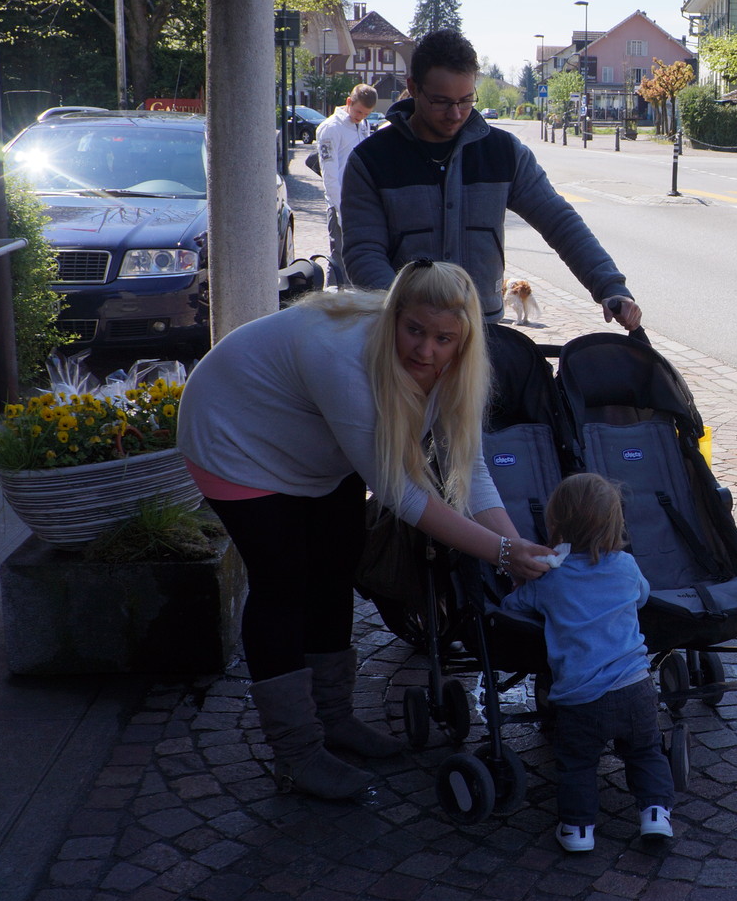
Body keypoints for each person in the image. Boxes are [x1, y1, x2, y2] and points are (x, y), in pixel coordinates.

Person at [179, 260, 554, 799]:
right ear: (393, 315)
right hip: (235, 437)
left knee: (336, 566)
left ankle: (333, 718)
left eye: (443, 339)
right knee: (284, 582)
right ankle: (297, 753)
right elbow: (402, 492)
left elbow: (466, 467)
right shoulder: (345, 357)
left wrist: (514, 545)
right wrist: (500, 554)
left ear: (465, 339)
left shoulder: (456, 364)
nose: (425, 351)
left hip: (314, 448)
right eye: (415, 330)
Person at [340, 27, 642, 331]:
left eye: (466, 100)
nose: (456, 114)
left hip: (483, 333)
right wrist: (409, 317)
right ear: (414, 88)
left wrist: (609, 285)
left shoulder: (504, 152)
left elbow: (559, 221)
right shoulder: (372, 160)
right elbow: (362, 253)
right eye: (441, 102)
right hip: (405, 340)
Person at [500, 474, 676, 852]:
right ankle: (655, 815)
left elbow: (512, 608)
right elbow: (642, 597)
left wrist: (518, 587)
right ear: (617, 525)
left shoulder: (551, 578)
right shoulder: (626, 566)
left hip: (580, 697)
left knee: (577, 764)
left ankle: (579, 830)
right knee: (645, 752)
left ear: (554, 526)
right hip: (635, 687)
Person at [313, 83, 379, 288]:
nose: (360, 117)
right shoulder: (331, 128)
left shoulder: (362, 124)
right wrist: (342, 210)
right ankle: (332, 303)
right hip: (340, 204)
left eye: (366, 114)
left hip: (360, 203)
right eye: (358, 111)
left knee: (359, 255)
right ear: (349, 102)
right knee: (339, 257)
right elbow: (329, 174)